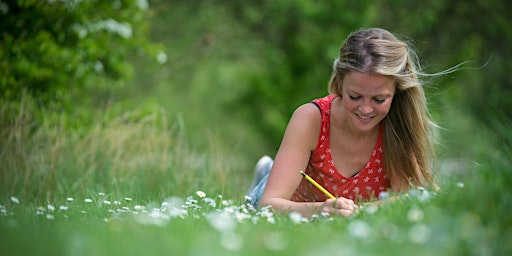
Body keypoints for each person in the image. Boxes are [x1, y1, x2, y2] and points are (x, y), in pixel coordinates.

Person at [247, 28, 439, 218]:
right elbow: (269, 204)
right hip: (296, 207)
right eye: (355, 96)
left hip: (347, 212)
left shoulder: (397, 126)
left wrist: (359, 212)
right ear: (339, 84)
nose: (365, 109)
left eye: (379, 100)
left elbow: (408, 197)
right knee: (266, 190)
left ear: (397, 93)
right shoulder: (311, 119)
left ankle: (270, 169)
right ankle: (268, 173)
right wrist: (320, 210)